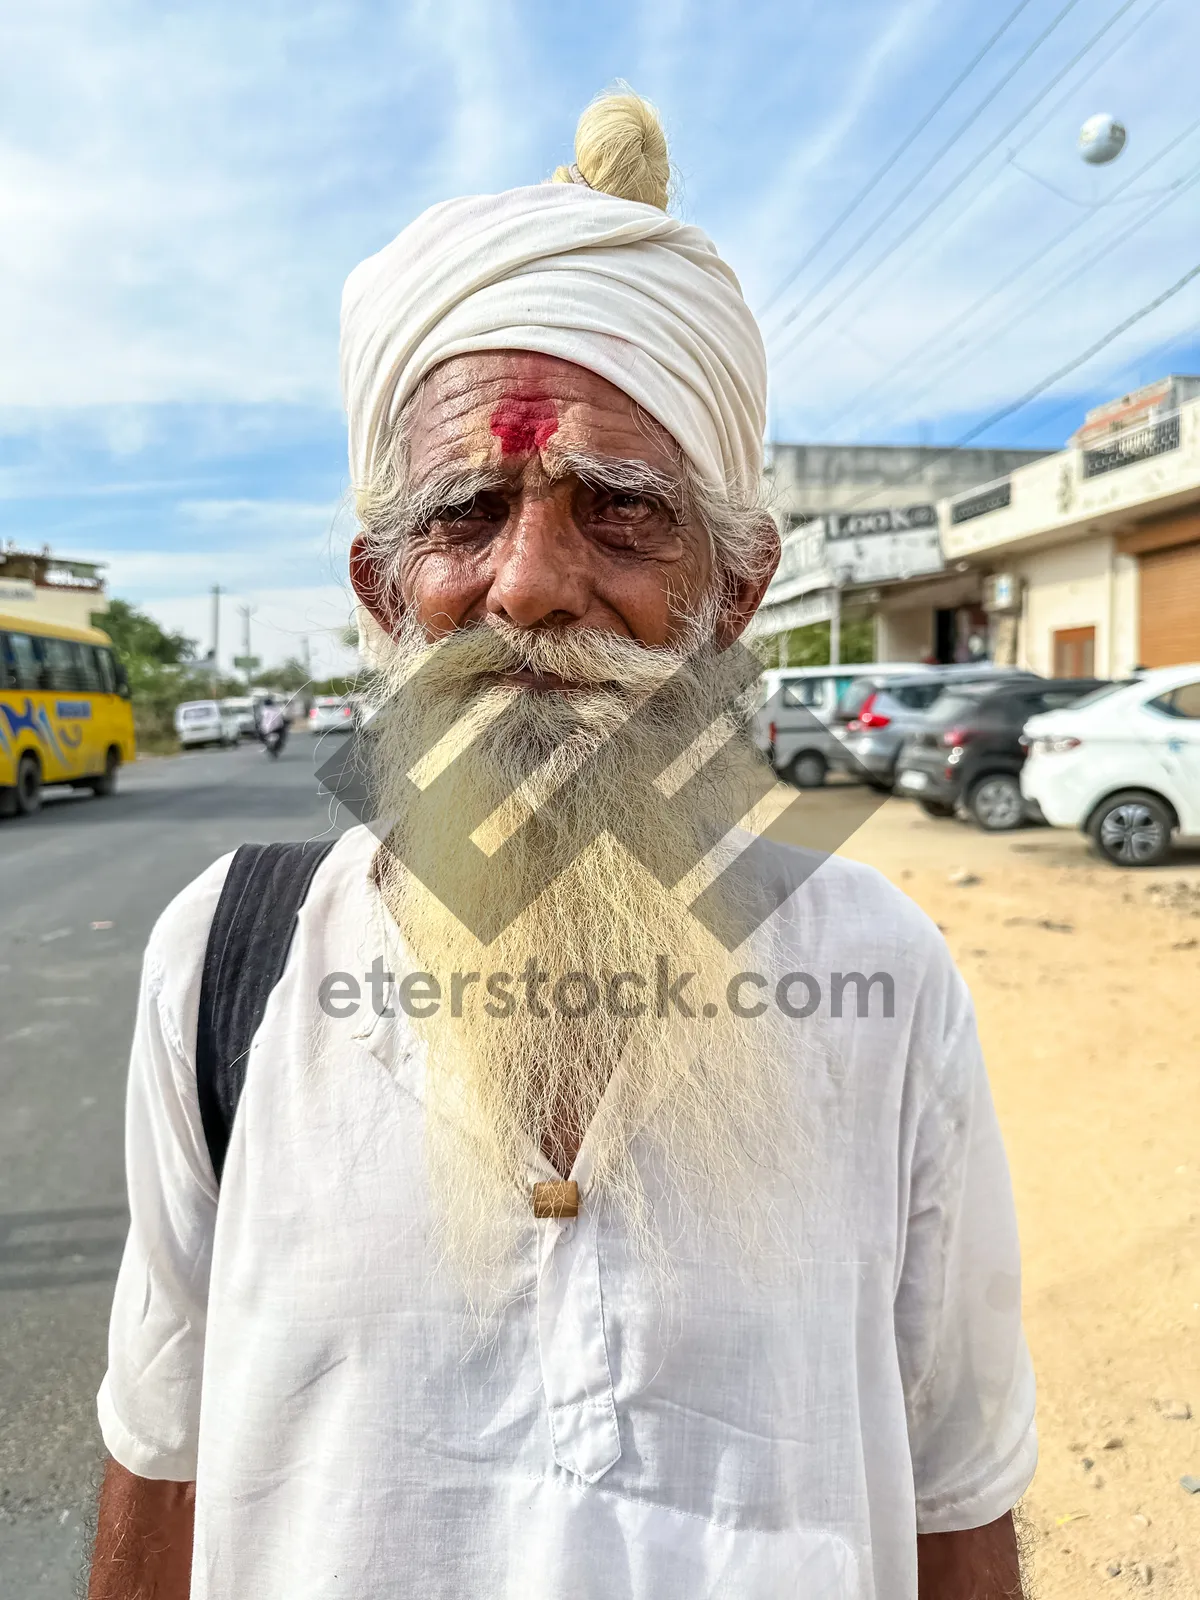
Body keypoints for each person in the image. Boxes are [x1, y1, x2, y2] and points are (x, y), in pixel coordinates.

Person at [89, 93, 1035, 1600]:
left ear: (734, 589)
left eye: (622, 513)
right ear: (383, 591)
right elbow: (161, 1454)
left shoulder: (881, 974)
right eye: (467, 512)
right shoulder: (226, 962)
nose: (530, 585)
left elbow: (958, 1494)